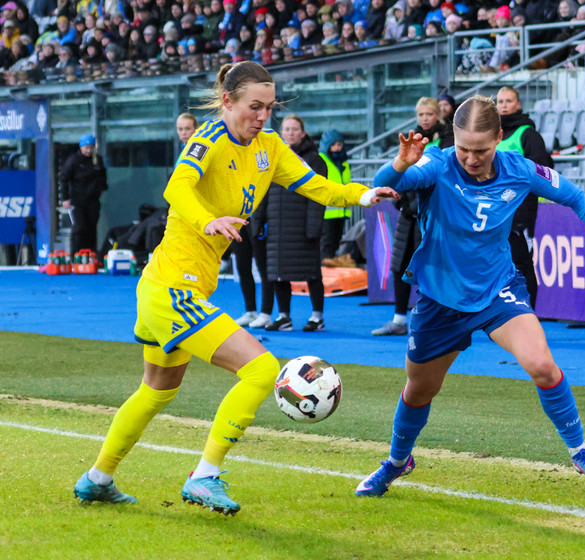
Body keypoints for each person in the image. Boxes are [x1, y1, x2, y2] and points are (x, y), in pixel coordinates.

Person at [72, 61, 398, 514]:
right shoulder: (208, 139)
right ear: (227, 101)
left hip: (170, 287)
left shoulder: (269, 146)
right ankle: (204, 476)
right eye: (254, 107)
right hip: (172, 288)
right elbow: (177, 189)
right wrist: (208, 220)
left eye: (270, 107)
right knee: (262, 369)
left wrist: (363, 195)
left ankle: (97, 479)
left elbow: (317, 187)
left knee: (156, 392)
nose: (263, 116)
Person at [355, 95, 585, 498]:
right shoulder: (436, 163)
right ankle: (397, 462)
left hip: (497, 289)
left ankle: (580, 451)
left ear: (499, 138)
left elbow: (578, 198)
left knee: (542, 365)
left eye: (481, 150)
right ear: (453, 140)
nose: (471, 158)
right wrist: (400, 163)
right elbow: (387, 184)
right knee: (419, 390)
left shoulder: (520, 169)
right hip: (440, 297)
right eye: (464, 149)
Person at [372, 96, 453, 336]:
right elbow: (399, 172)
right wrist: (402, 204)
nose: (425, 119)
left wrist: (419, 206)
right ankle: (399, 320)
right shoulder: (410, 139)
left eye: (429, 114)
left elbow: (443, 177)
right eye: (421, 115)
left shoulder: (448, 139)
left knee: (430, 269)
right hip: (408, 215)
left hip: (433, 217)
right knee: (400, 266)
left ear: (438, 115)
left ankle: (435, 321)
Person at [251, 115, 329, 332]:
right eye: (286, 129)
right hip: (277, 228)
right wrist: (257, 220)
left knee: (312, 273)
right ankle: (284, 317)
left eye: (295, 129)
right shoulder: (273, 159)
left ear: (303, 133)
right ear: (281, 133)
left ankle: (317, 317)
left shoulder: (315, 161)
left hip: (303, 227)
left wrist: (313, 227)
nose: (290, 133)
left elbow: (318, 196)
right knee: (278, 274)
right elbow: (263, 192)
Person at [496, 86, 553, 308]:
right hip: (496, 211)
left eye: (508, 101)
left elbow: (540, 170)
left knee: (522, 264)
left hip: (520, 211)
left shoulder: (528, 134)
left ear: (518, 105)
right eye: (500, 101)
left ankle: (528, 314)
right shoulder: (492, 134)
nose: (504, 105)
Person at [59, 134, 108, 255]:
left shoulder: (97, 160)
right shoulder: (74, 161)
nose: (89, 151)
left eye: (91, 148)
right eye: (86, 148)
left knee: (92, 227)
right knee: (80, 227)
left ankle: (91, 254)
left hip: (93, 199)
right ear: (81, 147)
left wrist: (102, 188)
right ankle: (76, 254)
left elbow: (102, 176)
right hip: (78, 200)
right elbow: (64, 178)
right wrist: (65, 198)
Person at [319, 129, 352, 262]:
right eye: (333, 145)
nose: (337, 148)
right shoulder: (321, 161)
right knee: (326, 246)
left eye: (339, 144)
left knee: (335, 245)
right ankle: (324, 271)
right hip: (327, 213)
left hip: (341, 211)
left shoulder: (344, 163)